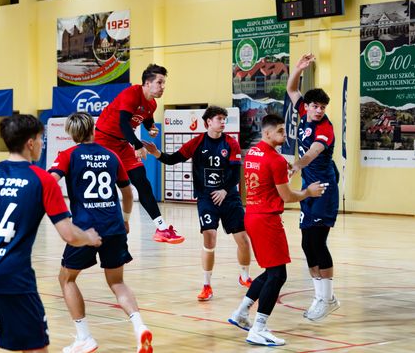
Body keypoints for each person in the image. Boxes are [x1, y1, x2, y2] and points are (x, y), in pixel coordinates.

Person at [0, 114, 102, 353]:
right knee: (35, 347)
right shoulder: (42, 180)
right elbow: (69, 235)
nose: (42, 144)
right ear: (31, 143)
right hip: (13, 278)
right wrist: (89, 237)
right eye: (41, 139)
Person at [48, 112, 152, 353]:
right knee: (117, 282)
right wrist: (125, 219)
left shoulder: (67, 155)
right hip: (114, 226)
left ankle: (84, 337)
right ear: (93, 129)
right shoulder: (111, 155)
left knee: (66, 279)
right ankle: (140, 327)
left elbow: (50, 183)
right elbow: (127, 193)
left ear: (71, 133)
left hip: (85, 229)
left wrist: (58, 214)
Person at [228, 114, 326, 346]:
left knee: (270, 272)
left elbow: (268, 177)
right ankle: (258, 328)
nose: (285, 135)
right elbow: (287, 196)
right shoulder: (275, 159)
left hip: (252, 215)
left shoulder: (253, 152)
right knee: (278, 275)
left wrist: (284, 170)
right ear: (267, 133)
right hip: (267, 220)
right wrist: (308, 192)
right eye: (280, 131)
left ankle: (241, 312)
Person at [142, 106, 252, 301]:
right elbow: (173, 159)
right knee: (209, 237)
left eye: (224, 119)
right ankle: (206, 286)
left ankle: (244, 277)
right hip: (206, 198)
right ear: (208, 121)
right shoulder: (197, 142)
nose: (223, 122)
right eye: (219, 118)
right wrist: (157, 153)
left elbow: (236, 174)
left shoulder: (231, 143)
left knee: (243, 239)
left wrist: (224, 190)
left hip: (229, 197)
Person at [95, 63, 184, 244]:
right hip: (104, 141)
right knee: (106, 186)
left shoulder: (152, 103)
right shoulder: (131, 93)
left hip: (122, 144)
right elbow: (123, 123)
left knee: (142, 181)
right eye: (159, 82)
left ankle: (161, 228)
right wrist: (137, 145)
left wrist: (151, 129)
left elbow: (147, 121)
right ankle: (102, 225)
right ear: (147, 83)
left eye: (164, 83)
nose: (163, 87)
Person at [286, 53, 340, 321]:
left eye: (323, 107)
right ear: (307, 106)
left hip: (324, 190)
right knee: (307, 244)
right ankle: (322, 297)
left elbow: (312, 154)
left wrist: (296, 165)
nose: (319, 110)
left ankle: (327, 299)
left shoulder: (325, 129)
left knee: (318, 242)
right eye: (315, 106)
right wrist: (298, 68)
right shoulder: (303, 112)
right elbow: (291, 89)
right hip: (309, 189)